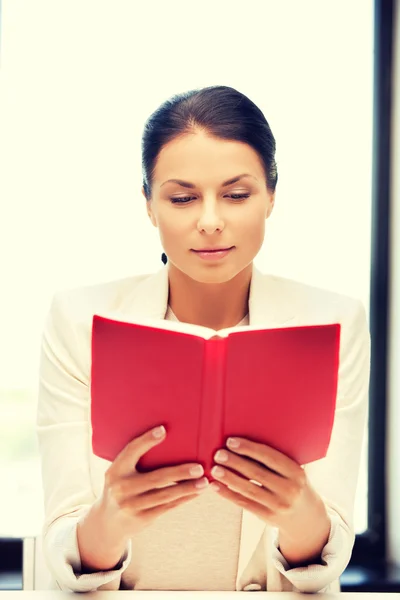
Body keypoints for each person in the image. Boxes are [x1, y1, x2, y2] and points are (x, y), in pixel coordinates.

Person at [36, 85, 371, 593]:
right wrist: (111, 519)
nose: (210, 221)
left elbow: (327, 552)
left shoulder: (333, 322)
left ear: (271, 196)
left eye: (236, 195)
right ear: (149, 204)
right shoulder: (79, 320)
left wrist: (299, 511)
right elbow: (65, 536)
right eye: (182, 197)